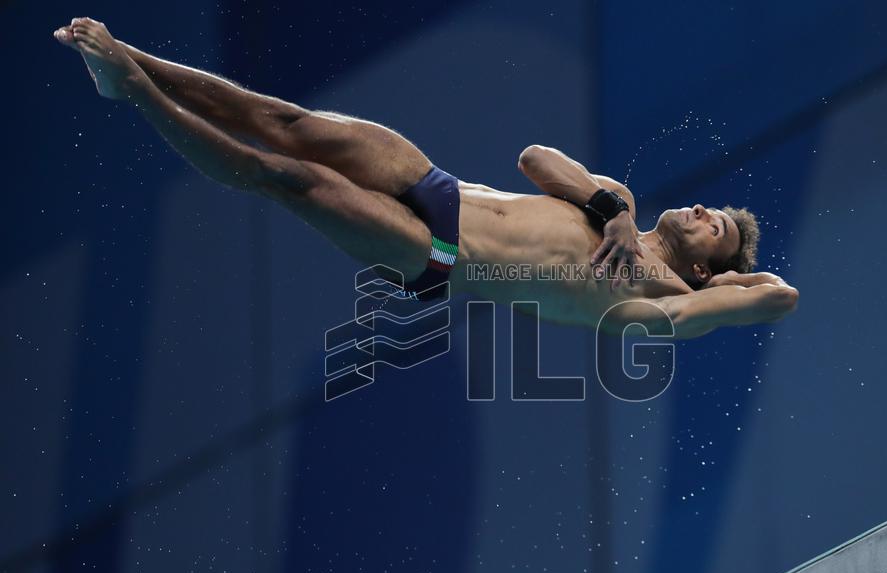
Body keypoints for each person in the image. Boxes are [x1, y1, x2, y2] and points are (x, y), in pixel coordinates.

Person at [54, 17, 798, 339]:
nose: (702, 206)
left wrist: (703, 287)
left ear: (705, 264)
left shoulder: (656, 303)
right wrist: (609, 208)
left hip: (437, 255)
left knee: (283, 176)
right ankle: (133, 59)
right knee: (286, 121)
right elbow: (536, 159)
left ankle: (136, 93)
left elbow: (775, 297)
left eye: (715, 224)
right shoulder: (621, 207)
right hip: (437, 186)